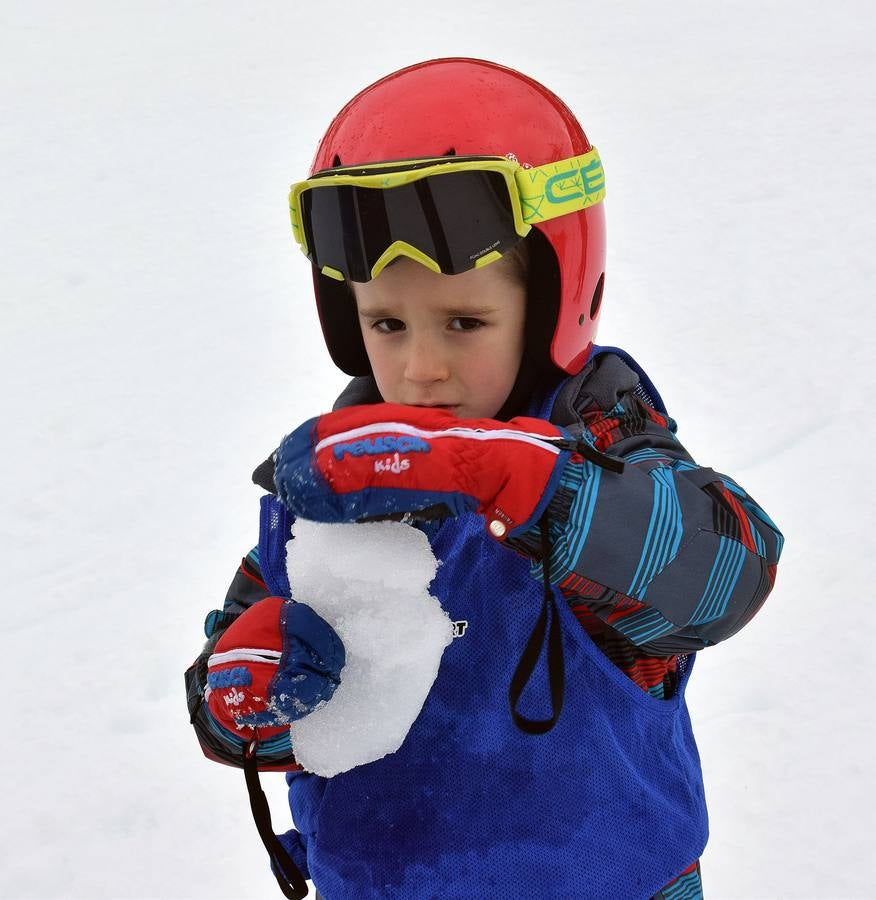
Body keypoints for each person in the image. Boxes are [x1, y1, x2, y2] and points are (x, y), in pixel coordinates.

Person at [185, 58, 783, 900]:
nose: (421, 368)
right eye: (387, 323)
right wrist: (242, 694)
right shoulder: (328, 493)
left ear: (549, 304)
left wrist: (523, 481)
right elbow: (242, 684)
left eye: (464, 322)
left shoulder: (609, 462)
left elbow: (727, 574)